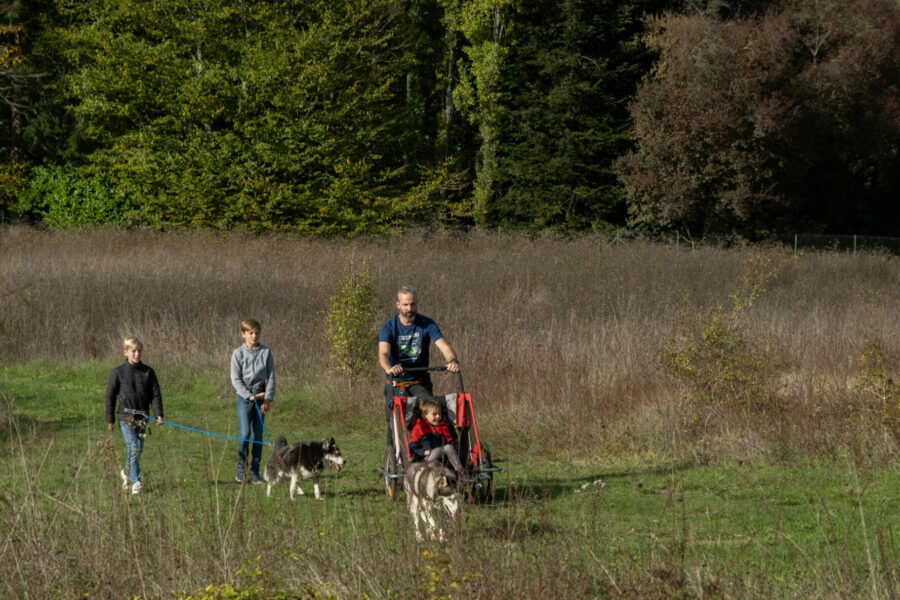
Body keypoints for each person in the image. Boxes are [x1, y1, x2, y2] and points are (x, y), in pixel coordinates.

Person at [378, 285, 459, 442]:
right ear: (398, 305)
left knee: (433, 413)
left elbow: (443, 346)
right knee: (394, 423)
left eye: (413, 304)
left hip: (420, 382)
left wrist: (452, 361)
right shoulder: (389, 327)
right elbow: (383, 353)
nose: (409, 308)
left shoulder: (427, 324)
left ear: (417, 304)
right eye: (405, 305)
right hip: (396, 382)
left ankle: (441, 452)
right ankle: (394, 458)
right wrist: (390, 368)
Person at [106, 337, 164, 495]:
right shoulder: (117, 372)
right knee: (133, 448)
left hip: (143, 418)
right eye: (133, 351)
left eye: (139, 351)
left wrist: (158, 414)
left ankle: (125, 472)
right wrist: (110, 419)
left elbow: (155, 394)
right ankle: (136, 482)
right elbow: (110, 396)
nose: (137, 354)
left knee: (138, 450)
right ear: (126, 352)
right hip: (126, 417)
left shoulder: (148, 372)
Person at [230, 319, 276, 484]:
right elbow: (235, 379)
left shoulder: (266, 352)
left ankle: (255, 472)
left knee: (258, 435)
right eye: (250, 333)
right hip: (245, 399)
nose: (254, 336)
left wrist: (268, 398)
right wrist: (248, 395)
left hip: (261, 397)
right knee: (245, 434)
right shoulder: (238, 354)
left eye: (257, 333)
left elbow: (271, 376)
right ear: (244, 334)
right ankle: (241, 469)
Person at [409, 397, 472, 483]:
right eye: (434, 414)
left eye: (439, 414)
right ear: (424, 415)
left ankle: (461, 474)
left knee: (449, 447)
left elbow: (450, 441)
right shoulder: (419, 427)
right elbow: (413, 447)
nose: (438, 417)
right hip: (426, 459)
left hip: (442, 456)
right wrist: (423, 452)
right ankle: (460, 474)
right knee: (444, 448)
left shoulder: (443, 426)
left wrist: (456, 448)